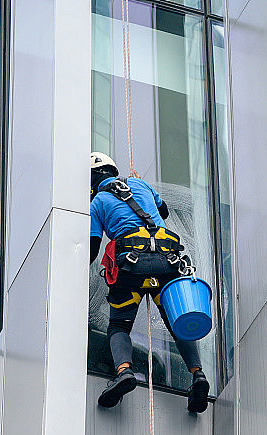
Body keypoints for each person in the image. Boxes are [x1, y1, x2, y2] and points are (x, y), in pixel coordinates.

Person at [89, 152, 209, 413]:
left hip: (131, 269)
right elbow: (163, 211)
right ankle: (198, 374)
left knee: (119, 325)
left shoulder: (98, 201)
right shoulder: (139, 184)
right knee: (177, 322)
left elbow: (92, 247)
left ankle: (124, 371)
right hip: (166, 264)